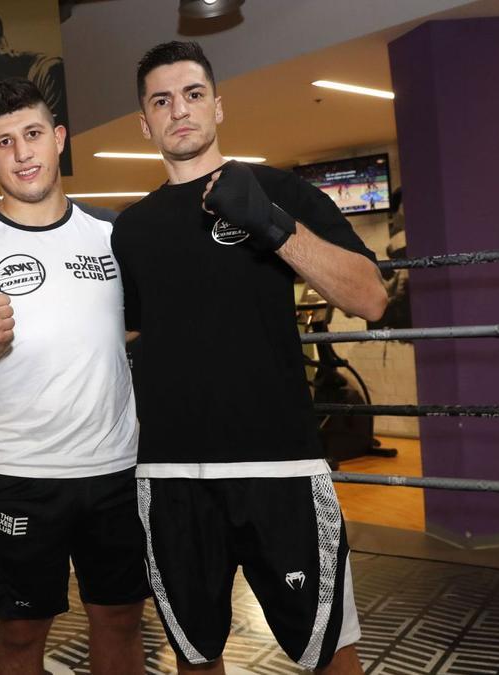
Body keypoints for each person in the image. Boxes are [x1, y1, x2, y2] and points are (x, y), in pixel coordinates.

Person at [112, 41, 388, 675]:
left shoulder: (279, 189)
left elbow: (370, 297)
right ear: (145, 123)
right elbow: (126, 341)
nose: (178, 110)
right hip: (172, 478)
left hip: (283, 467)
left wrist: (273, 224)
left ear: (217, 105)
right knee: (195, 657)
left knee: (332, 656)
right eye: (161, 100)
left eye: (192, 94)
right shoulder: (131, 228)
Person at [0, 77, 149, 675]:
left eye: (33, 134)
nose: (22, 153)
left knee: (119, 620)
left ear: (59, 139)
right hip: (20, 474)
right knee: (19, 634)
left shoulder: (116, 234)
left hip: (114, 467)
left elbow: (147, 328)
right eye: (4, 142)